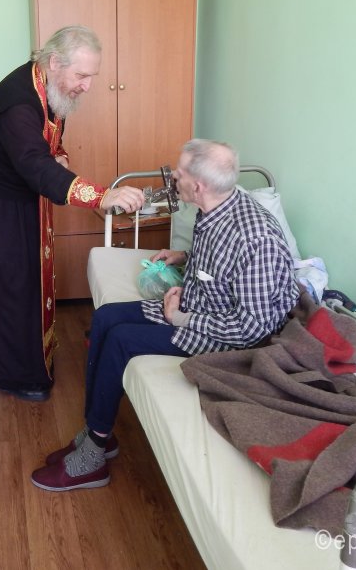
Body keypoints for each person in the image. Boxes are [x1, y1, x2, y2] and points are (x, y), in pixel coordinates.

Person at [31, 138, 301, 491]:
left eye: (179, 173)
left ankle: (93, 456)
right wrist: (184, 256)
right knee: (105, 318)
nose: (173, 176)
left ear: (198, 186)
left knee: (121, 340)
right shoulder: (219, 206)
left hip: (225, 333)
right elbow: (223, 264)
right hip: (197, 303)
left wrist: (181, 319)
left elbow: (252, 328)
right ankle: (98, 433)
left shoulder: (257, 239)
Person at [0, 25, 145, 402]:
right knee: (7, 287)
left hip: (23, 199)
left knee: (28, 284)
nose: (87, 86)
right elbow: (35, 164)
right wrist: (102, 196)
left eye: (91, 76)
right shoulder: (17, 103)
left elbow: (50, 149)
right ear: (55, 62)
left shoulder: (49, 88)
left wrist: (61, 158)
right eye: (82, 75)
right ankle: (12, 374)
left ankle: (33, 361)